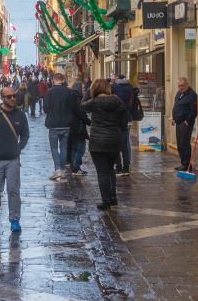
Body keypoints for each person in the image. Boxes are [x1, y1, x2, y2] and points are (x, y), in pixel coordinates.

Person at [0, 84, 30, 232]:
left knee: (13, 191)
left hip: (13, 160)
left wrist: (19, 147)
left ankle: (15, 220)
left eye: (14, 95)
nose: (13, 98)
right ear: (2, 98)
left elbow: (26, 134)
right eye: (9, 97)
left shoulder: (20, 115)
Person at [81, 79, 129, 211]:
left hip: (98, 142)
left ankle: (105, 201)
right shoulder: (118, 101)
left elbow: (82, 105)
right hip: (114, 140)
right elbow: (124, 124)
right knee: (111, 169)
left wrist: (90, 92)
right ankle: (113, 198)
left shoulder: (94, 102)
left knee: (102, 172)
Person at [43, 72, 82, 181]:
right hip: (66, 124)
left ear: (54, 80)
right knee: (64, 147)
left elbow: (45, 109)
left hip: (53, 123)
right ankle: (62, 169)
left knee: (54, 148)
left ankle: (58, 170)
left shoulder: (49, 92)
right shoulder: (69, 92)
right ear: (63, 79)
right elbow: (74, 107)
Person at [111, 72, 137, 176]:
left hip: (116, 119)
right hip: (128, 118)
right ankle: (126, 167)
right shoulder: (130, 87)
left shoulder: (114, 87)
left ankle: (119, 167)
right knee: (126, 143)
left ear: (117, 79)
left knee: (116, 143)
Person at [172, 76, 198, 173]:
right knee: (179, 144)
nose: (180, 88)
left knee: (185, 144)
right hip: (178, 122)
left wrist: (187, 121)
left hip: (186, 123)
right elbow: (176, 106)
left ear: (187, 84)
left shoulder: (192, 95)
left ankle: (187, 165)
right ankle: (183, 163)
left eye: (182, 86)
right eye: (179, 86)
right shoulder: (179, 93)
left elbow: (194, 110)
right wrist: (174, 118)